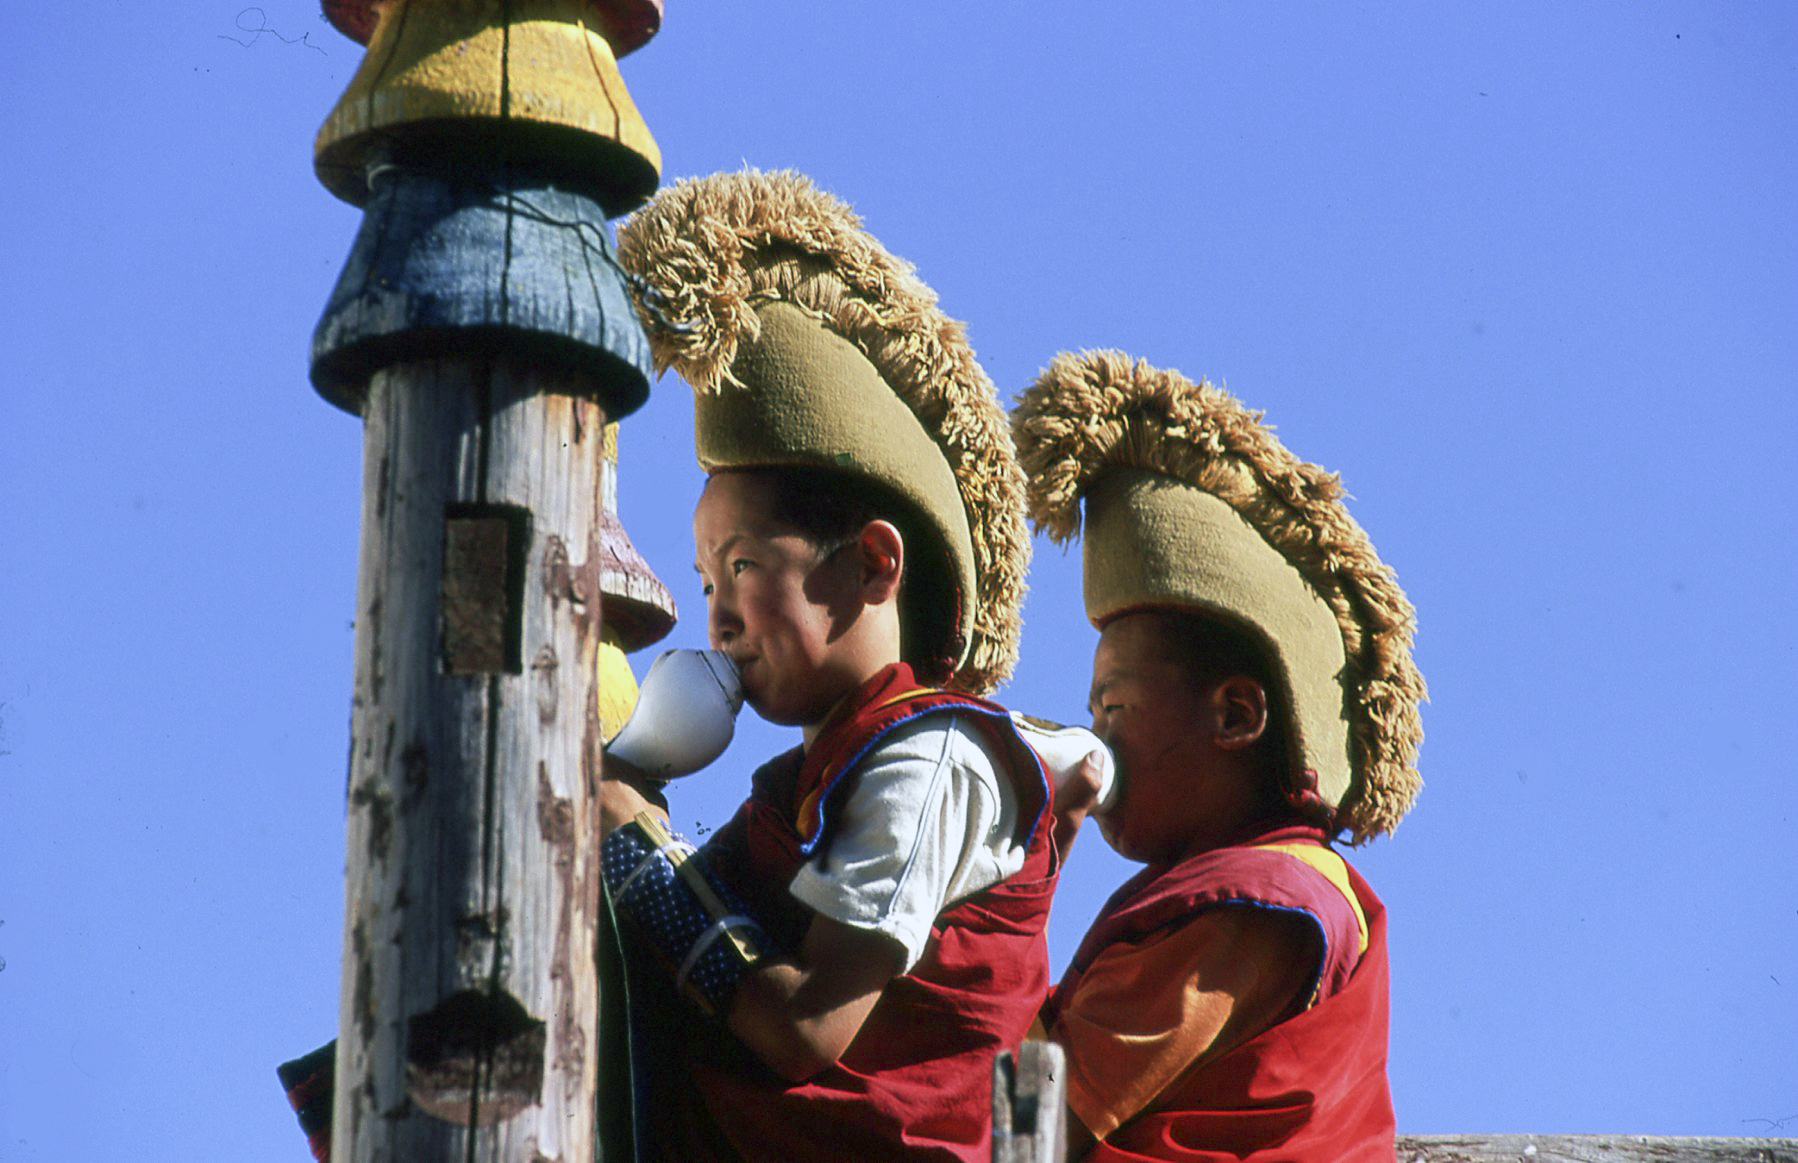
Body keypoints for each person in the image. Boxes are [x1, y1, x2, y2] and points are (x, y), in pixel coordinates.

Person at [599, 168, 1064, 1162]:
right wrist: (626, 778)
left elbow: (806, 1026)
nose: (715, 619)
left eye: (744, 568)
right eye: (704, 577)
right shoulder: (793, 788)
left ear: (872, 563)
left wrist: (632, 833)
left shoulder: (931, 759)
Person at [1012, 351, 1428, 1162]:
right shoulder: (1218, 891)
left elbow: (1026, 1131)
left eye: (1116, 706)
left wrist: (1010, 879)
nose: (1094, 734)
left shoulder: (1257, 903)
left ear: (1235, 715)